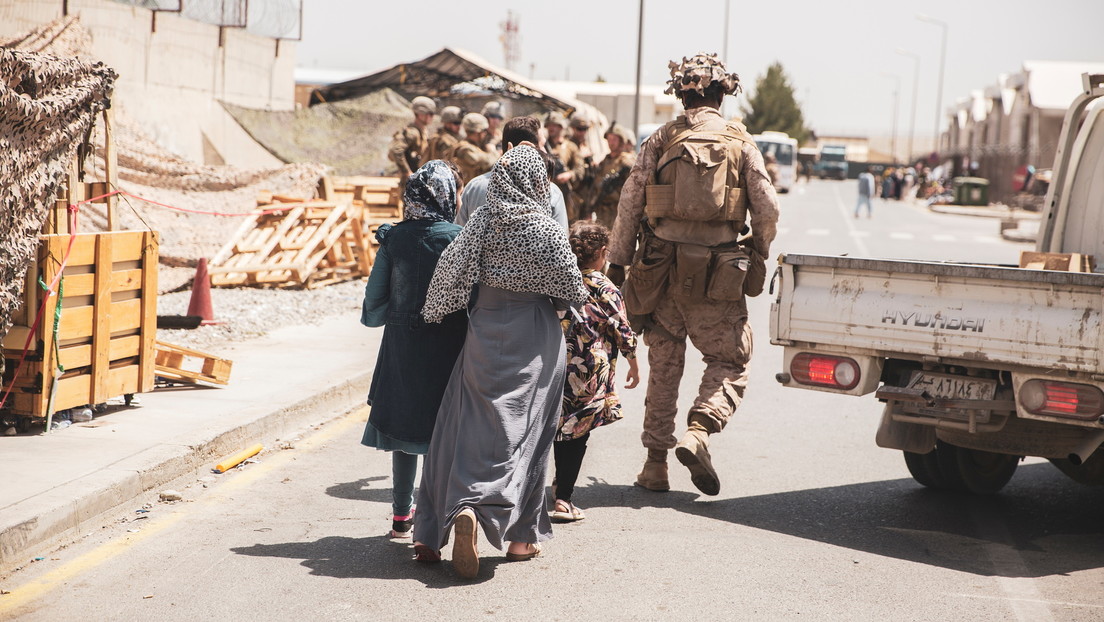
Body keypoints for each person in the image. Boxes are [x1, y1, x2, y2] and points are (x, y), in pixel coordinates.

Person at [608, 53, 779, 496]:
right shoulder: (740, 141)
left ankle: (654, 465)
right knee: (729, 359)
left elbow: (630, 202)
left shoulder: (661, 138)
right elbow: (768, 208)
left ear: (681, 92)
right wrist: (757, 250)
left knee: (664, 365)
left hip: (659, 272)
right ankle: (700, 429)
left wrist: (616, 262)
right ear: (723, 93)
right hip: (717, 277)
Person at [413, 145, 588, 579]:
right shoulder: (545, 229)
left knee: (461, 424)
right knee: (526, 432)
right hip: (535, 336)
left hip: (484, 331)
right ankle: (520, 539)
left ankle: (434, 528)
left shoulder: (481, 223)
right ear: (537, 181)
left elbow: (448, 275)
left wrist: (438, 311)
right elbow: (573, 290)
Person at [359, 160, 467, 538]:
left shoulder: (394, 239)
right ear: (448, 196)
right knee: (445, 432)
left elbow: (374, 304)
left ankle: (401, 517)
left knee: (404, 435)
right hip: (450, 348)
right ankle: (435, 515)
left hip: (403, 346)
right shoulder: (459, 237)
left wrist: (390, 316)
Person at [552, 222, 639, 523]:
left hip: (555, 362)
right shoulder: (604, 286)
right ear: (602, 253)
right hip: (589, 369)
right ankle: (563, 499)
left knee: (561, 425)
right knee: (578, 433)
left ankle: (558, 485)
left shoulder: (558, 280)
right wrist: (635, 363)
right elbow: (622, 329)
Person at [456, 115, 569, 229]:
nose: (545, 151)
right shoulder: (551, 191)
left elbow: (460, 234)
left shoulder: (474, 187)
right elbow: (561, 240)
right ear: (526, 147)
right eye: (542, 145)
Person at [586, 123, 637, 229]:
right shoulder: (605, 161)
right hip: (602, 210)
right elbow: (595, 187)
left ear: (621, 141)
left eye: (614, 139)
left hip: (619, 210)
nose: (611, 142)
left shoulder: (626, 160)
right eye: (609, 139)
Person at [545, 111, 587, 222]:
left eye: (554, 125)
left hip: (565, 196)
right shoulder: (542, 145)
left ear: (561, 127)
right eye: (549, 125)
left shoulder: (571, 147)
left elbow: (580, 170)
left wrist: (569, 174)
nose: (551, 128)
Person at [388, 96, 436, 191]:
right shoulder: (413, 133)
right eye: (430, 114)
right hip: (412, 182)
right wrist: (407, 172)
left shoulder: (422, 131)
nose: (432, 117)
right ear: (420, 114)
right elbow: (396, 150)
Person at [447, 113, 497, 184]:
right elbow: (486, 162)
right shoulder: (465, 149)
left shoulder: (473, 146)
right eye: (484, 130)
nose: (485, 133)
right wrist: (493, 152)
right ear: (477, 132)